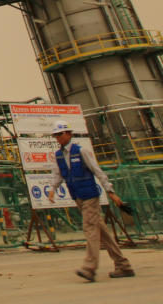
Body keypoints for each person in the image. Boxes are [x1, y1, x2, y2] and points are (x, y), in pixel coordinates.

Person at [48, 120, 135, 282]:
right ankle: (123, 265)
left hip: (90, 196)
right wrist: (53, 189)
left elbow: (98, 171)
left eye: (60, 134)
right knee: (102, 232)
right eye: (56, 135)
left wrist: (111, 192)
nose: (58, 138)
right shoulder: (58, 156)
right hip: (78, 197)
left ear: (69, 134)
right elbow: (58, 175)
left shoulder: (81, 151)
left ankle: (89, 268)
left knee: (90, 229)